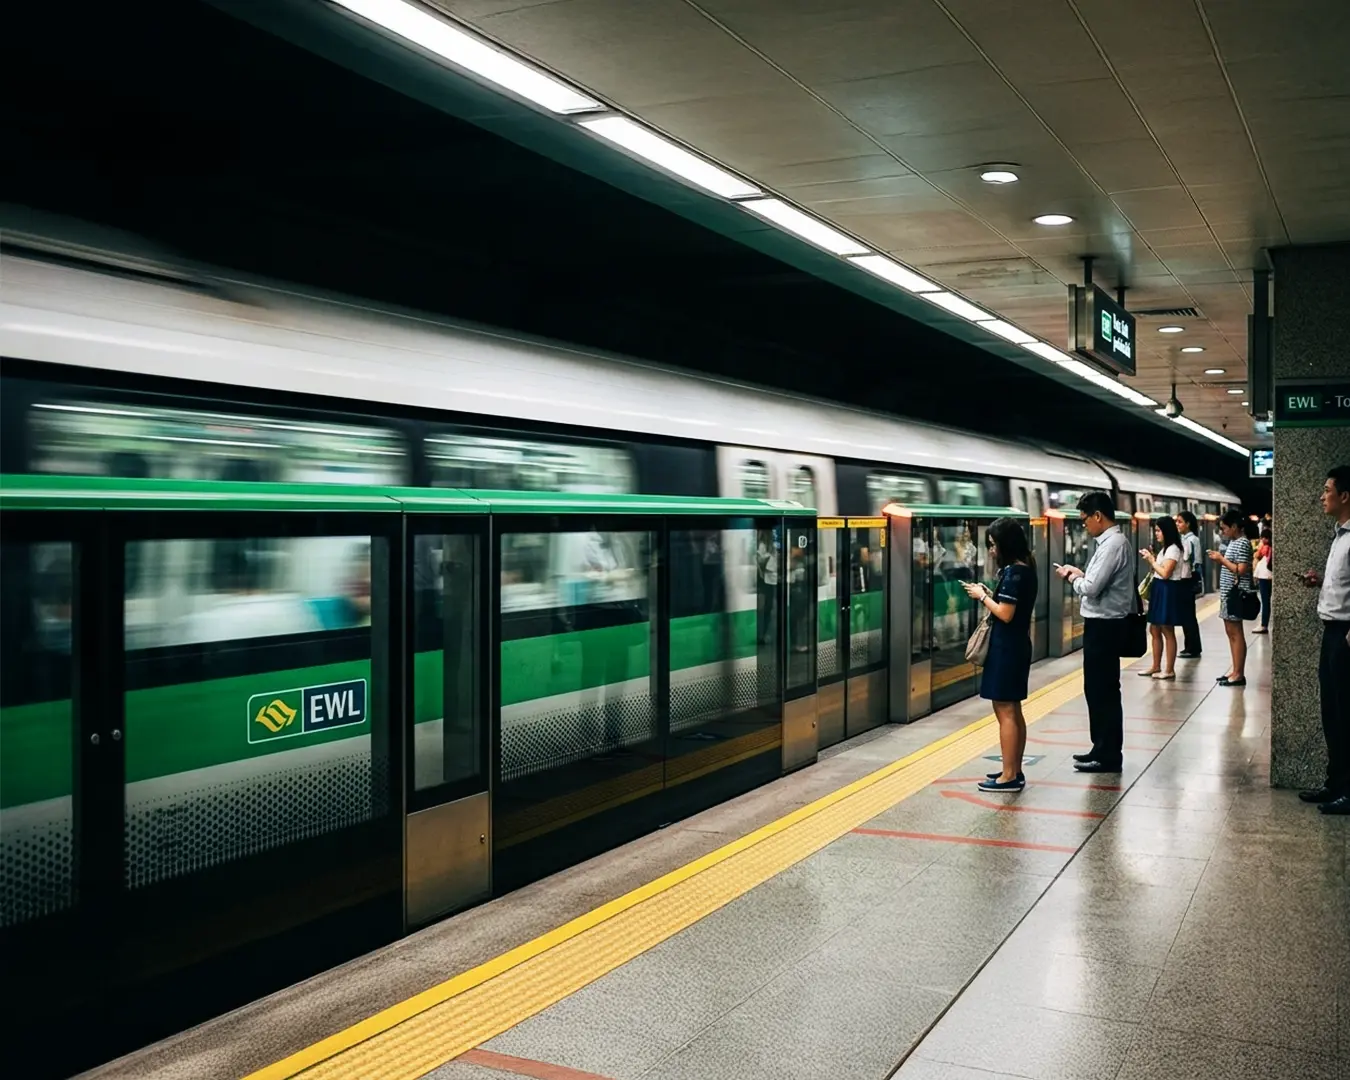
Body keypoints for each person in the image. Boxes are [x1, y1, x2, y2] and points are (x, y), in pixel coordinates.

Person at [1056, 492, 1135, 773]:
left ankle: (1107, 754)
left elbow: (1091, 588)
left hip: (1105, 626)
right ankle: (1100, 747)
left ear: (1098, 516)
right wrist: (1081, 575)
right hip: (1103, 625)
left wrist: (1073, 577)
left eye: (1085, 520)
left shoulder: (1113, 544)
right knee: (1098, 689)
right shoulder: (1112, 543)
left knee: (1102, 690)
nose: (1084, 526)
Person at [962, 518, 1037, 792]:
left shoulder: (1014, 573)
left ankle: (1009, 776)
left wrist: (981, 596)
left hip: (1007, 649)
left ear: (1005, 544)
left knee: (1005, 710)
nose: (991, 551)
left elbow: (1005, 613)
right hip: (1015, 646)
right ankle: (1013, 769)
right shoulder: (1025, 568)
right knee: (1013, 710)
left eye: (993, 545)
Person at [1298, 465, 1350, 815]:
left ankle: (1348, 791)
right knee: (1332, 713)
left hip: (1345, 636)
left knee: (1346, 714)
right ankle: (1335, 783)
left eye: (1327, 489)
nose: (1322, 495)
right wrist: (1320, 583)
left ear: (1345, 496)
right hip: (1331, 633)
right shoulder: (1340, 536)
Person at [1139, 515, 1188, 680]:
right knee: (1154, 628)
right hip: (1160, 588)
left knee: (1167, 630)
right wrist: (1153, 558)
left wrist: (1152, 561)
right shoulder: (1165, 549)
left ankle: (1169, 669)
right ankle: (1155, 665)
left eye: (1159, 531)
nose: (1157, 534)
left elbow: (1166, 573)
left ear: (1167, 531)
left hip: (1168, 589)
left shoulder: (1174, 549)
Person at [1208, 510, 1253, 687]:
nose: (1222, 532)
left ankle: (1239, 673)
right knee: (1231, 632)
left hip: (1236, 594)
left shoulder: (1242, 543)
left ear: (1234, 526)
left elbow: (1241, 569)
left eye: (1224, 528)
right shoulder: (1235, 542)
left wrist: (1221, 559)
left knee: (1236, 633)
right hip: (1229, 593)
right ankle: (1234, 670)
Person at [1175, 511, 1204, 658]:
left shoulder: (1192, 540)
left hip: (1188, 579)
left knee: (1189, 615)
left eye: (1180, 522)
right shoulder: (1184, 539)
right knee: (1186, 615)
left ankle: (1193, 648)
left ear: (1188, 524)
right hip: (1185, 579)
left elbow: (1196, 562)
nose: (1177, 525)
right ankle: (1190, 646)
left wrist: (1196, 581)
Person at [1253, 526, 1273, 634]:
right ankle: (1263, 623)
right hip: (1266, 576)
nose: (1262, 540)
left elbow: (1258, 555)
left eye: (1263, 538)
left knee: (1265, 601)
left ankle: (1264, 624)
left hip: (1265, 577)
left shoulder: (1266, 547)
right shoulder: (1270, 547)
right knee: (1266, 601)